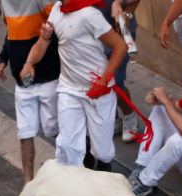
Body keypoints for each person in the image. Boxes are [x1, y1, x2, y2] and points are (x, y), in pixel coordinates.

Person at [21, 0, 127, 171]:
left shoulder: (90, 15)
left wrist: (103, 81)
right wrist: (29, 63)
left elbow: (121, 47)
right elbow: (42, 43)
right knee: (69, 150)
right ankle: (77, 186)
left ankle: (101, 180)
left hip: (98, 92)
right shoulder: (57, 9)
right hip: (68, 89)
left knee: (103, 154)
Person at [0, 0, 60, 183]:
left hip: (48, 79)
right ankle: (28, 183)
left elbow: (58, 27)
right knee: (24, 133)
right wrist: (2, 59)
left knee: (54, 129)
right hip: (22, 84)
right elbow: (11, 34)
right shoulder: (4, 3)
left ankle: (75, 166)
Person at [99, 0, 141, 142]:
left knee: (114, 83)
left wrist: (123, 9)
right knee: (100, 80)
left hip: (119, 34)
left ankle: (129, 115)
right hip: (93, 33)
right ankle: (114, 117)